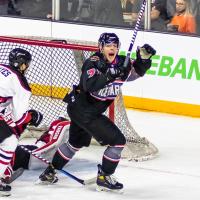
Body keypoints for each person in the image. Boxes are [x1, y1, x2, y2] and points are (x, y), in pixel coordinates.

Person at [38, 32, 156, 192]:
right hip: (84, 110)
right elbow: (88, 85)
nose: (112, 48)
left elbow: (135, 73)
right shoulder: (93, 62)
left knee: (75, 143)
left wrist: (144, 59)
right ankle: (105, 177)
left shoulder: (122, 62)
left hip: (82, 110)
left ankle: (50, 172)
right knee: (118, 141)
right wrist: (109, 75)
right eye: (108, 45)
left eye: (115, 45)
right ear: (101, 48)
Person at [0, 48, 43, 196]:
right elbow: (19, 117)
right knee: (9, 142)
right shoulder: (21, 83)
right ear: (23, 65)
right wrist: (32, 116)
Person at [2, 117, 70, 184]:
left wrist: (37, 152)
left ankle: (5, 173)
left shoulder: (62, 124)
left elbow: (53, 143)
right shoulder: (64, 127)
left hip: (34, 153)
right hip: (31, 156)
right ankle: (5, 172)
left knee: (8, 150)